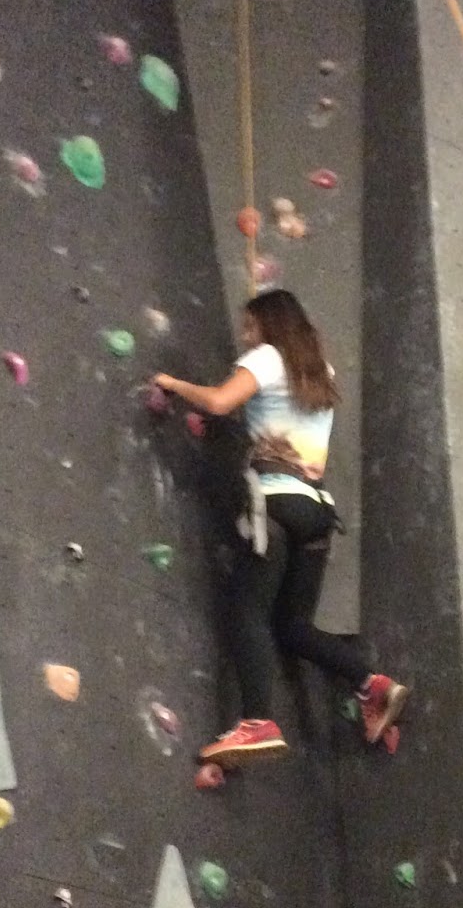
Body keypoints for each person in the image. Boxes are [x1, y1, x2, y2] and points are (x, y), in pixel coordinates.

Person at [153, 288, 409, 767]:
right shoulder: (320, 374)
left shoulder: (268, 358)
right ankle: (371, 684)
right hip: (316, 510)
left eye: (249, 326)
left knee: (247, 609)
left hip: (275, 501)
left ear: (267, 326)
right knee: (291, 627)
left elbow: (217, 403)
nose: (245, 338)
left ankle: (256, 722)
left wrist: (173, 383)